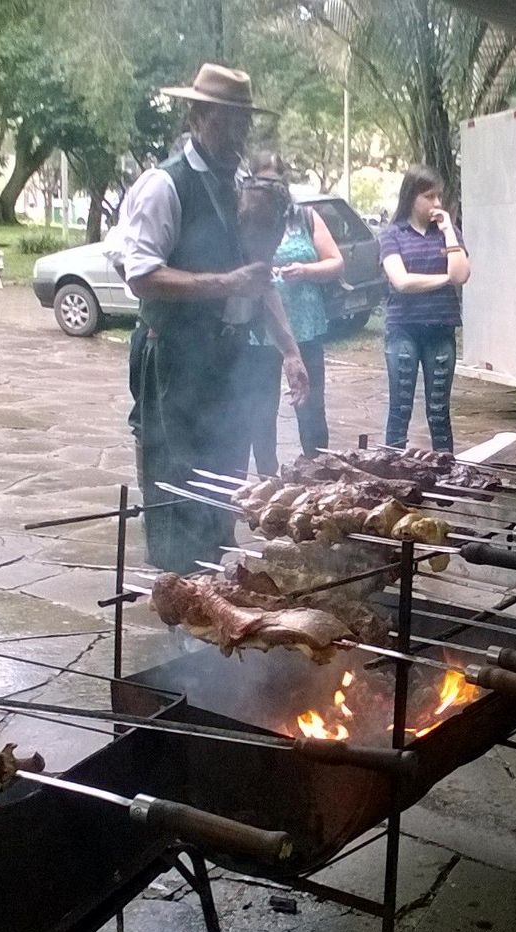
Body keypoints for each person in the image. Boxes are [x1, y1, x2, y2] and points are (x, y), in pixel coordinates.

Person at [121, 64, 303, 573]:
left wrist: (289, 349)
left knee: (225, 479)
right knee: (175, 479)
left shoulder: (242, 188)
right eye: (228, 121)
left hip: (227, 359)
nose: (239, 134)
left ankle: (216, 586)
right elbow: (141, 276)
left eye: (244, 123)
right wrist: (222, 285)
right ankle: (178, 594)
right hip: (174, 356)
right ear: (198, 116)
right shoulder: (165, 185)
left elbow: (259, 277)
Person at [240, 152, 344, 474]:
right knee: (261, 412)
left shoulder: (305, 216)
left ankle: (317, 474)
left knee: (311, 407)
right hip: (260, 334)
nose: (272, 187)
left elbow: (336, 262)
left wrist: (307, 270)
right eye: (265, 180)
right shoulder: (245, 216)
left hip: (305, 328)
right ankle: (268, 479)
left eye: (278, 180)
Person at [378, 165, 470, 452]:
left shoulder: (447, 232)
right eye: (429, 196)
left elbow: (463, 274)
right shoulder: (392, 234)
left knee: (439, 411)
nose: (437, 203)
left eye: (439, 196)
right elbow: (402, 282)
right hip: (403, 329)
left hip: (441, 330)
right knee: (400, 407)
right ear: (412, 197)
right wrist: (445, 279)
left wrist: (448, 232)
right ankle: (392, 474)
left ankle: (447, 476)